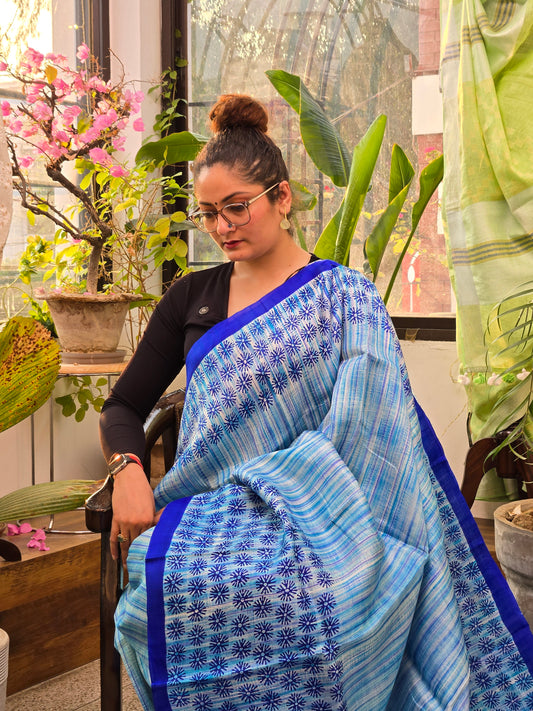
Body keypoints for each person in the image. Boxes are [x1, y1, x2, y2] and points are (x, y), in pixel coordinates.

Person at [99, 94, 533, 711]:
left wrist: (301, 491)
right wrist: (129, 470)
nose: (223, 227)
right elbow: (122, 406)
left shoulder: (344, 298)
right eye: (209, 214)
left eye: (237, 207)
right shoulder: (191, 297)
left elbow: (371, 429)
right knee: (162, 590)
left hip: (333, 508)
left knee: (336, 596)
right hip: (216, 506)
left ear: (281, 198)